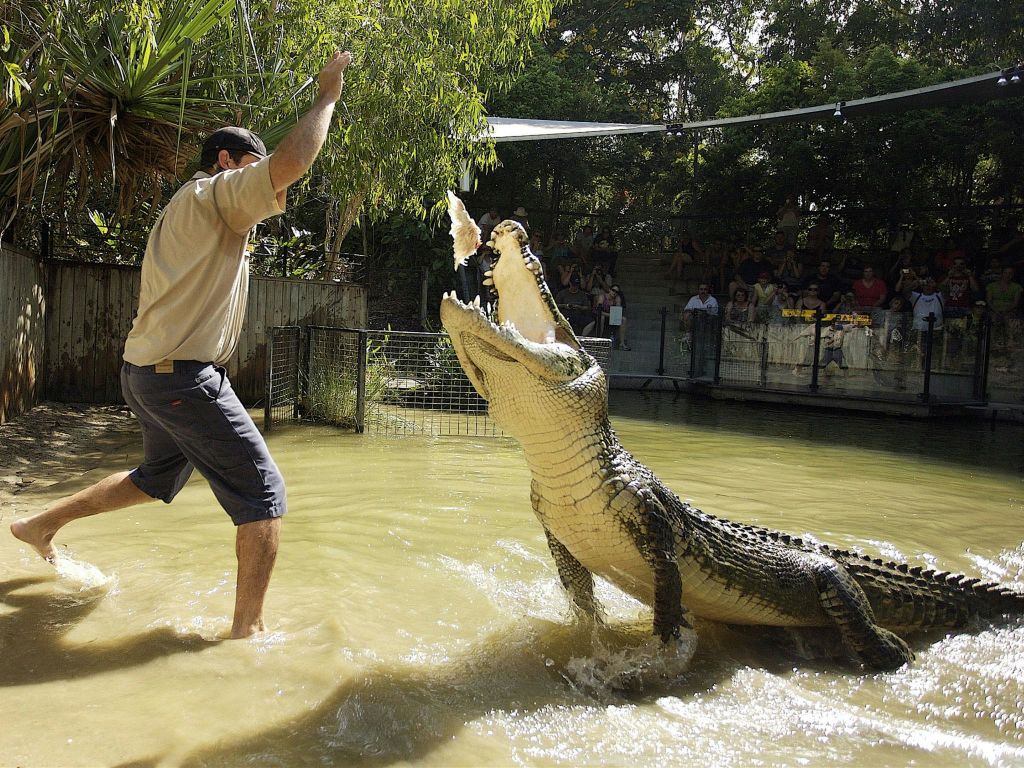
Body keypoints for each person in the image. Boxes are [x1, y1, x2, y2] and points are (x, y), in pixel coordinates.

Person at [10, 50, 354, 639]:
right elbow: (293, 162)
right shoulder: (215, 195)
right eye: (251, 164)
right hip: (180, 378)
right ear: (226, 162)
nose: (265, 182)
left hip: (147, 373)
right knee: (263, 494)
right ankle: (247, 637)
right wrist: (326, 99)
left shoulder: (192, 211)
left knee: (153, 479)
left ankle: (39, 525)